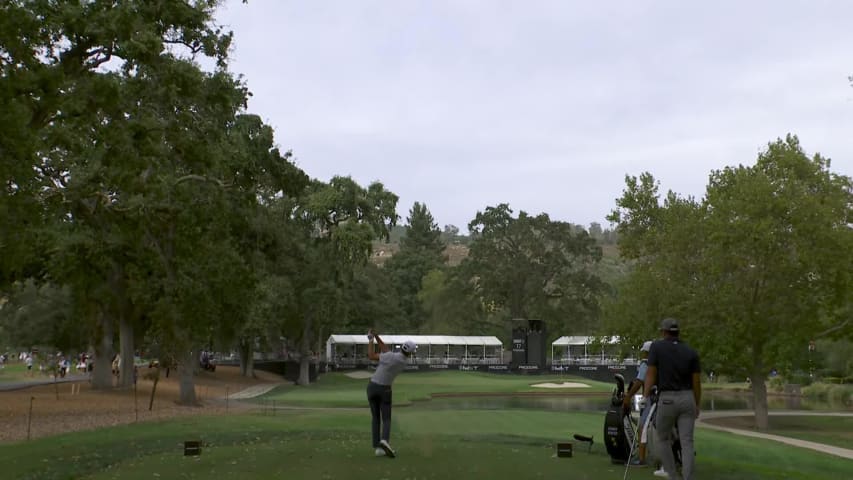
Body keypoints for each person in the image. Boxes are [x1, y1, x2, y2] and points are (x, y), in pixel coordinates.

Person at [644, 318, 701, 480]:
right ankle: (688, 478)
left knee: (663, 438)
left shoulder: (657, 347)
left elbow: (651, 373)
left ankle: (673, 476)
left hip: (667, 398)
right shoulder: (691, 351)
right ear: (678, 332)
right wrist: (696, 403)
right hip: (688, 397)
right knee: (687, 442)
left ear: (663, 332)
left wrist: (646, 395)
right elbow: (696, 382)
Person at [366, 329, 416, 458]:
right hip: (385, 390)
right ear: (410, 353)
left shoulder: (389, 356)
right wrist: (377, 336)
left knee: (375, 418)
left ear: (401, 347)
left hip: (372, 387)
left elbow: (372, 355)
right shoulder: (403, 361)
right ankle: (384, 440)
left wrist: (371, 339)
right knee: (386, 418)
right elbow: (385, 349)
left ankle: (378, 448)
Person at [623, 340, 653, 466]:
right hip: (662, 397)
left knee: (642, 428)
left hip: (651, 399)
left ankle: (641, 459)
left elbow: (639, 381)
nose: (643, 355)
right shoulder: (659, 363)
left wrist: (629, 396)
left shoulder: (645, 364)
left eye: (644, 352)